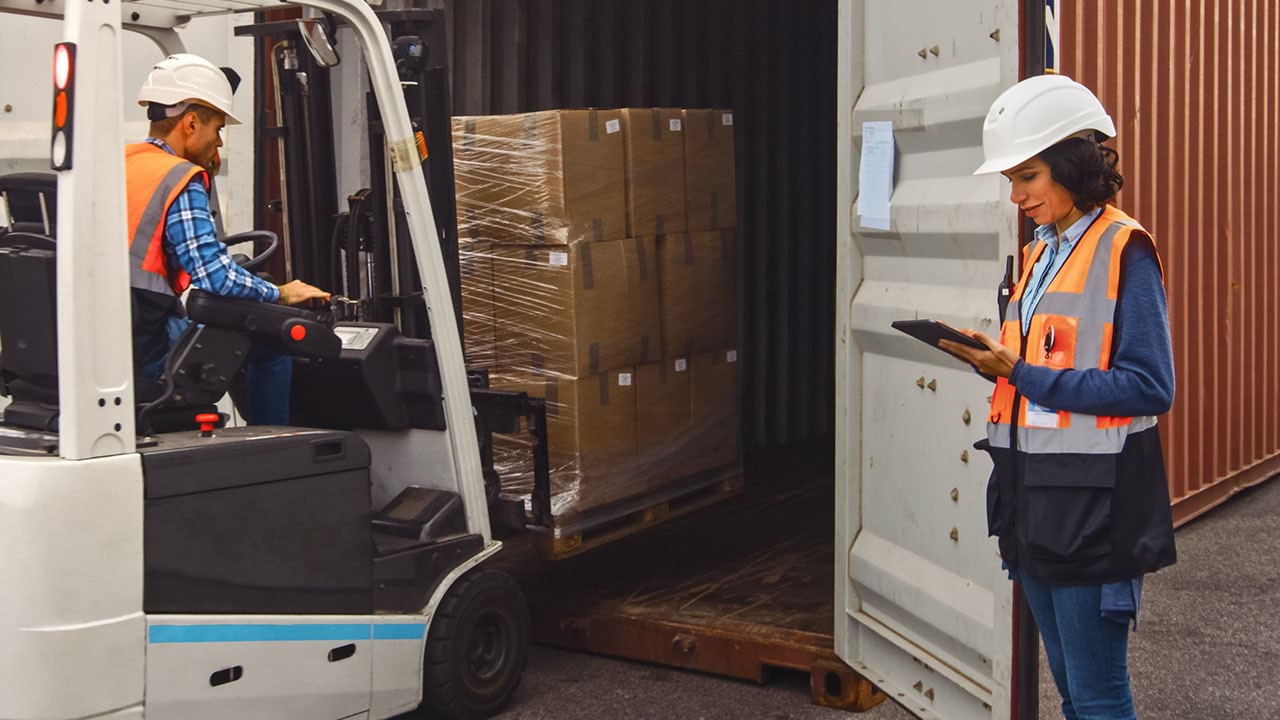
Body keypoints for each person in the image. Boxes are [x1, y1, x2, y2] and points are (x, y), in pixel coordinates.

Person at [939, 74, 1177, 720]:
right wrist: (994, 365)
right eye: (1010, 181)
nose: (1016, 196)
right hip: (1031, 504)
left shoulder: (1125, 251)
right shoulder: (1037, 256)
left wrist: (1020, 374)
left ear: (1073, 165)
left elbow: (1152, 386)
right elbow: (1042, 371)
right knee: (1073, 697)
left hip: (1093, 514)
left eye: (1029, 178)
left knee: (1098, 701)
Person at [127, 53, 329, 424]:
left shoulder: (124, 162)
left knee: (218, 331)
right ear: (190, 123)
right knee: (272, 342)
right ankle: (274, 447)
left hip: (115, 335)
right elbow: (215, 275)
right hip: (143, 345)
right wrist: (282, 294)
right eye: (217, 128)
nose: (218, 140)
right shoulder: (178, 177)